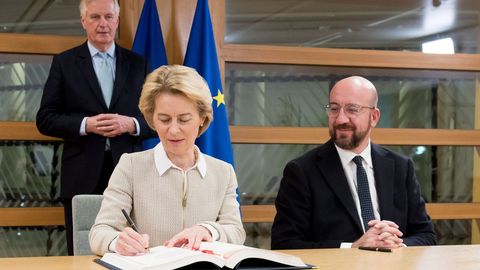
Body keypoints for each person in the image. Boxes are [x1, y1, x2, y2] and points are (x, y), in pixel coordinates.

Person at [89, 65, 246, 256]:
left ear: (202, 119)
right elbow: (99, 233)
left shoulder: (223, 172)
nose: (173, 130)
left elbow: (236, 231)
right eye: (164, 119)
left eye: (184, 119)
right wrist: (117, 242)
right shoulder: (130, 166)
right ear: (152, 119)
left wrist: (208, 230)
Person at [36, 0, 153, 255]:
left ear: (118, 20)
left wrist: (130, 124)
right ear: (83, 22)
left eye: (109, 17)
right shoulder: (65, 63)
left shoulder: (138, 64)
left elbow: (157, 120)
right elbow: (45, 118)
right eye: (95, 17)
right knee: (82, 247)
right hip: (82, 172)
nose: (103, 24)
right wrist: (84, 125)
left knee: (132, 247)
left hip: (130, 172)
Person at [271, 76, 436, 249]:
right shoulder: (301, 172)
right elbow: (284, 244)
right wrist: (353, 247)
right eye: (334, 109)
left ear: (374, 117)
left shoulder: (401, 167)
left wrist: (395, 245)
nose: (341, 119)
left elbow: (426, 235)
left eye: (352, 109)